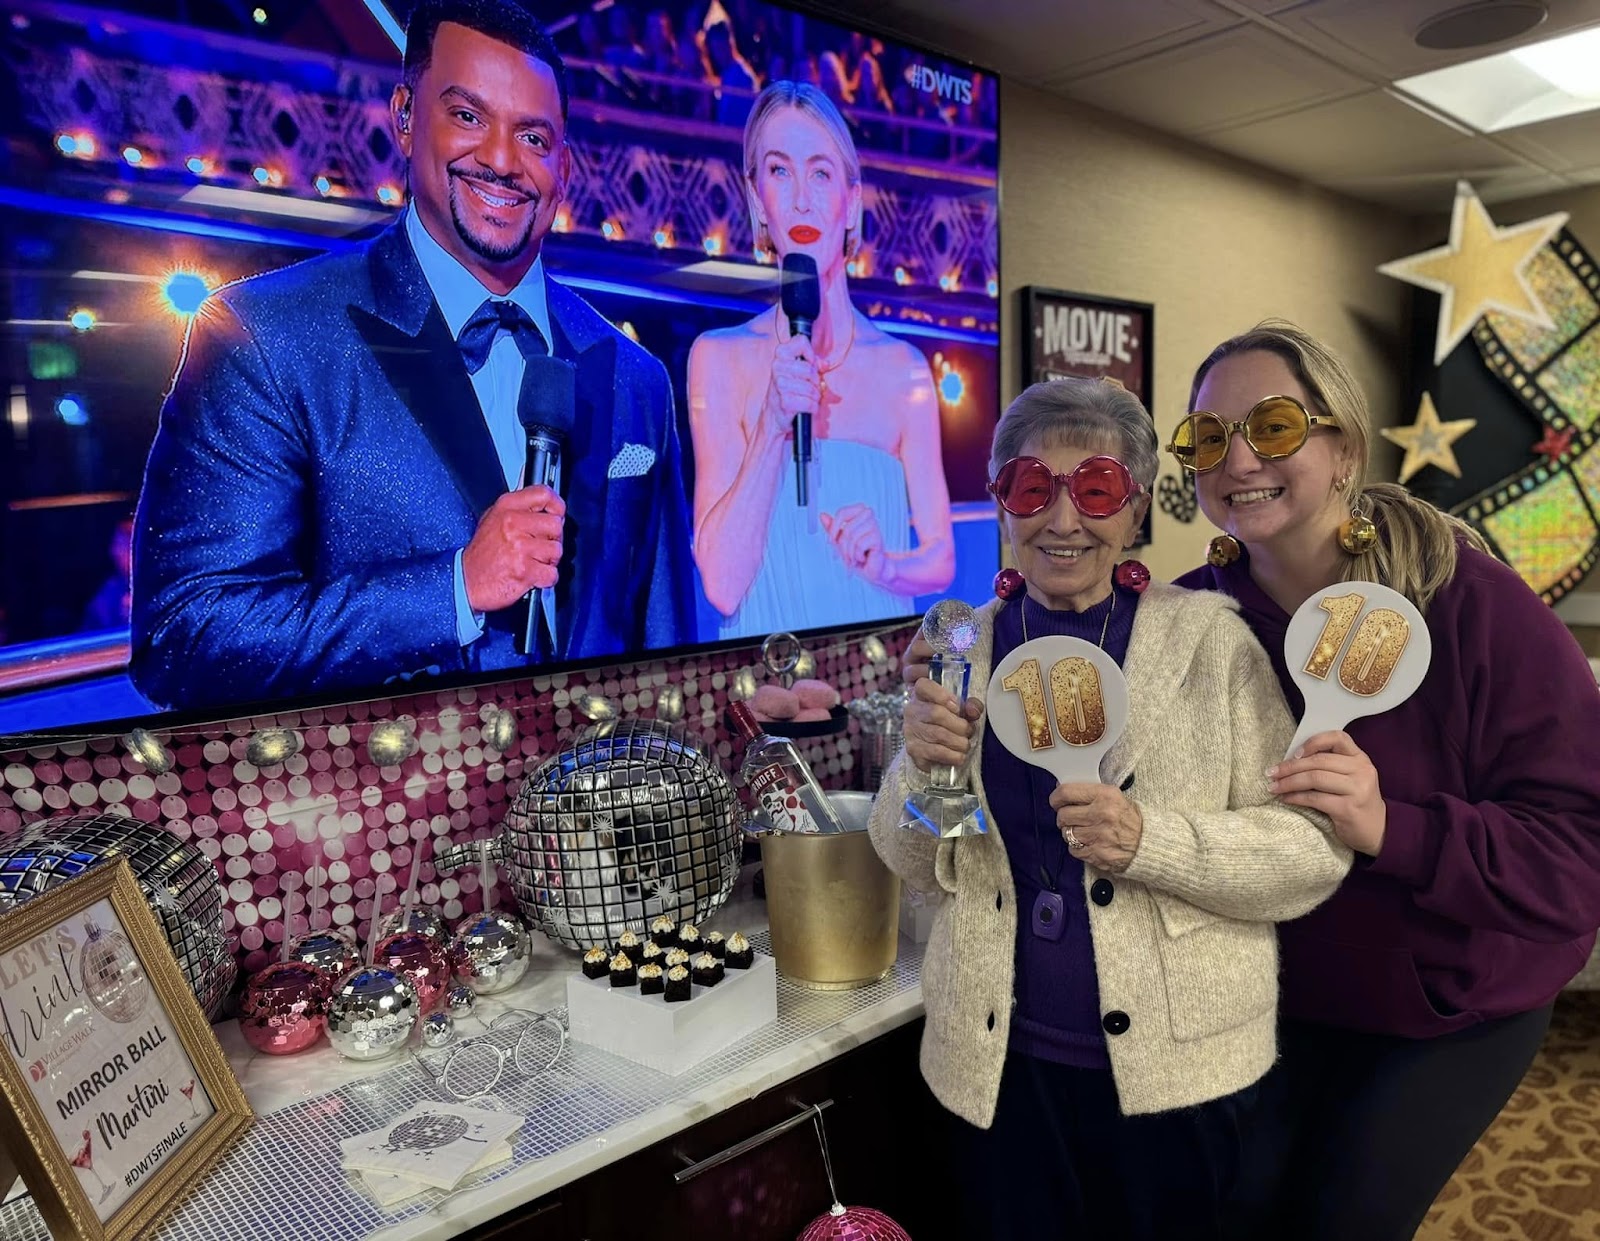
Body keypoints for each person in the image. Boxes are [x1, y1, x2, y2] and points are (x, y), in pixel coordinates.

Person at [873, 377, 1351, 1239]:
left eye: (1093, 489)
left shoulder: (1211, 642)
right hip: (998, 1069)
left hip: (1178, 1082)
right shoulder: (957, 642)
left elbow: (1311, 849)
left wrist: (1151, 842)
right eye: (1031, 487)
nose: (1062, 519)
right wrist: (924, 769)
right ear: (1001, 505)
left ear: (1134, 510)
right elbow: (912, 861)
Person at [131, 0, 696, 712]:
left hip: (597, 816)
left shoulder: (636, 376)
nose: (500, 159)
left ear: (564, 165)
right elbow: (184, 636)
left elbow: (669, 657)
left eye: (533, 136)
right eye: (468, 117)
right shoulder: (263, 336)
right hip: (382, 816)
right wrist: (453, 588)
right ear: (404, 115)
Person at [1170, 320, 1600, 1241]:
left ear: (1343, 450)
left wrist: (1393, 827)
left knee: (1340, 1221)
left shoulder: (1470, 604)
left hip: (1448, 993)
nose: (1237, 456)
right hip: (1279, 991)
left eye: (1274, 426)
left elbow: (1580, 855)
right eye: (1209, 438)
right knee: (1224, 1205)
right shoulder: (1191, 619)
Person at [688, 80, 954, 640]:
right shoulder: (719, 358)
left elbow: (941, 559)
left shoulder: (903, 368)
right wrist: (771, 424)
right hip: (769, 696)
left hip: (880, 686)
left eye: (822, 172)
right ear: (757, 198)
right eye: (780, 171)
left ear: (851, 201)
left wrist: (886, 564)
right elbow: (722, 587)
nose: (802, 197)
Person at [81, 516, 133, 632]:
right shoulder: (111, 588)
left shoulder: (158, 590)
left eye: (121, 544)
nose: (114, 552)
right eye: (115, 544)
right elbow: (88, 636)